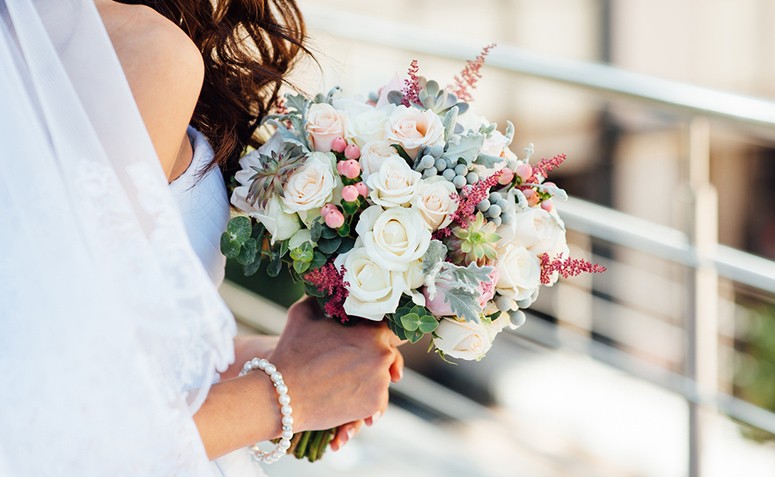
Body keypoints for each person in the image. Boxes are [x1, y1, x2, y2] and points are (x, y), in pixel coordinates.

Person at [0, 0, 403, 475]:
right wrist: (288, 391)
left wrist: (262, 359)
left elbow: (48, 333)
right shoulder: (142, 50)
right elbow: (54, 436)